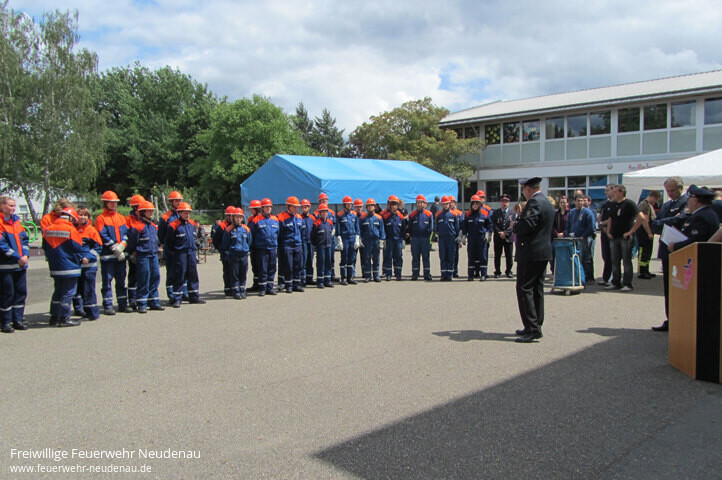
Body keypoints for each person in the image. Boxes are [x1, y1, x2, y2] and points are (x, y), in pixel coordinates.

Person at [511, 177, 554, 343]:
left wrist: (515, 225)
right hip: (541, 252)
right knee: (536, 289)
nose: (523, 193)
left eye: (523, 189)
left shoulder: (534, 202)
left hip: (531, 252)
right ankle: (535, 323)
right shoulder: (546, 202)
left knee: (525, 289)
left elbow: (528, 226)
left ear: (528, 189)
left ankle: (532, 328)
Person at [649, 177, 688, 332]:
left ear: (680, 188)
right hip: (666, 248)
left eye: (673, 190)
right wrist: (669, 220)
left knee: (681, 286)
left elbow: (681, 221)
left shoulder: (686, 203)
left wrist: (666, 221)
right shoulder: (666, 205)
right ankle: (670, 318)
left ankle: (681, 319)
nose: (670, 193)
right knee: (668, 287)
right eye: (668, 190)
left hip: (680, 249)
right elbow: (655, 225)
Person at [43, 207, 91, 327]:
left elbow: (45, 247)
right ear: (71, 218)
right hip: (69, 266)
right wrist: (86, 256)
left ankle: (54, 317)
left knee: (58, 292)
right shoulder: (71, 229)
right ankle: (64, 318)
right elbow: (78, 247)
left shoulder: (49, 229)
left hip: (55, 266)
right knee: (69, 292)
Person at [95, 190, 130, 315]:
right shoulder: (101, 218)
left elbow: (126, 233)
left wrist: (122, 246)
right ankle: (108, 305)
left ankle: (122, 304)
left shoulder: (121, 217)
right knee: (107, 282)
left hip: (120, 256)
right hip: (108, 256)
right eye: (111, 202)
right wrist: (115, 247)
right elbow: (102, 235)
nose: (113, 204)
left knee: (121, 281)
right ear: (105, 203)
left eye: (115, 202)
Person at [126, 201, 164, 313]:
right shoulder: (137, 227)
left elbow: (156, 240)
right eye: (149, 211)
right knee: (144, 279)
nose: (151, 213)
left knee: (155, 277)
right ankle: (142, 303)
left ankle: (154, 302)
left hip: (153, 255)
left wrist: (158, 248)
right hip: (143, 256)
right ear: (143, 212)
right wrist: (133, 253)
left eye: (152, 211)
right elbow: (132, 243)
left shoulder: (153, 226)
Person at [165, 202, 205, 307]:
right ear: (180, 213)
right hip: (180, 254)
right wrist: (174, 253)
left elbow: (194, 238)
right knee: (179, 275)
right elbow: (169, 242)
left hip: (191, 252)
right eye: (185, 213)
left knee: (193, 275)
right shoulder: (173, 225)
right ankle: (177, 298)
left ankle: (194, 296)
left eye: (188, 213)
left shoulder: (191, 224)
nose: (187, 215)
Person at [0, 196, 30, 332]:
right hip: (5, 266)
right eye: (10, 205)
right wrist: (17, 257)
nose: (13, 208)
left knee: (21, 293)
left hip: (20, 265)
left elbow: (25, 240)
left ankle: (17, 319)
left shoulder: (17, 223)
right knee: (7, 294)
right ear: (2, 206)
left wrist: (25, 255)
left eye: (14, 206)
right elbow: (2, 245)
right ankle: (5, 322)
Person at [604, 185, 639, 292]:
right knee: (614, 261)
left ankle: (627, 283)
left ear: (621, 192)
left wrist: (631, 231)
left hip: (625, 237)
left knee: (626, 261)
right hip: (614, 236)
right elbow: (610, 219)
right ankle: (616, 282)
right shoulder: (613, 204)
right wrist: (608, 232)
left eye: (615, 192)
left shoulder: (629, 204)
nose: (613, 193)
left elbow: (641, 218)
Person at [73, 207, 102, 321]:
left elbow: (98, 247)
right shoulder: (72, 229)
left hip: (89, 266)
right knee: (78, 289)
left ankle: (92, 313)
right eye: (80, 214)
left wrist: (88, 257)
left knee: (89, 290)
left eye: (85, 215)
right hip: (76, 265)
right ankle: (80, 310)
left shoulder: (91, 230)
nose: (82, 217)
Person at [248, 198, 279, 296]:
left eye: (269, 207)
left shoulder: (275, 219)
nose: (268, 208)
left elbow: (278, 233)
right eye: (266, 207)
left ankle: (270, 288)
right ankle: (262, 288)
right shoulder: (256, 220)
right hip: (261, 249)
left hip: (272, 248)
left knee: (272, 268)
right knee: (263, 269)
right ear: (262, 208)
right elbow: (251, 235)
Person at [158, 190, 184, 301]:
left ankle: (182, 293)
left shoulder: (183, 214)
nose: (178, 203)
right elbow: (161, 234)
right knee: (171, 273)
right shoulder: (165, 217)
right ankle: (171, 295)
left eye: (180, 200)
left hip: (181, 249)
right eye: (176, 201)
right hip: (170, 250)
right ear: (171, 202)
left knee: (182, 272)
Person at [565, 194, 596, 285]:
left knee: (586, 258)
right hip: (573, 239)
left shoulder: (587, 212)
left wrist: (584, 236)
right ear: (575, 201)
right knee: (576, 258)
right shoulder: (572, 212)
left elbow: (591, 227)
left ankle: (589, 277)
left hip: (584, 239)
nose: (580, 202)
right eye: (578, 201)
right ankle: (577, 277)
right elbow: (568, 225)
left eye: (582, 201)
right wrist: (567, 234)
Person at [222, 207, 252, 299]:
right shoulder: (228, 229)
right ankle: (236, 291)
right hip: (234, 255)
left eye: (240, 217)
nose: (238, 219)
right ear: (233, 218)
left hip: (244, 255)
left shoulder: (246, 229)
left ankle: (242, 290)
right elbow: (225, 243)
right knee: (234, 274)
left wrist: (245, 249)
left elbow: (249, 241)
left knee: (243, 273)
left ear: (242, 218)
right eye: (236, 217)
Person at [277, 196, 305, 293]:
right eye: (294, 206)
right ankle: (288, 285)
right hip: (287, 245)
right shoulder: (281, 217)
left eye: (297, 206)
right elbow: (279, 233)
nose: (296, 208)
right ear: (288, 206)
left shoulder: (299, 217)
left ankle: (296, 284)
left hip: (298, 244)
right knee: (288, 266)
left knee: (298, 265)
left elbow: (302, 231)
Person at [461, 194, 492, 280]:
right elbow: (464, 226)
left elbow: (489, 225)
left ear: (479, 205)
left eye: (476, 204)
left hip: (481, 239)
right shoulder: (468, 215)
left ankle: (483, 274)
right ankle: (471, 275)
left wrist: (488, 234)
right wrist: (463, 235)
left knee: (482, 256)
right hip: (471, 239)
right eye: (473, 204)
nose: (475, 205)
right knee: (471, 256)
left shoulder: (484, 214)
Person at [125, 194, 145, 310]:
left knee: (144, 277)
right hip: (134, 253)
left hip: (144, 252)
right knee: (133, 276)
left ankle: (142, 299)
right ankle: (132, 300)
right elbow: (128, 237)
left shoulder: (144, 219)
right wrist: (132, 251)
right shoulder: (128, 220)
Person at [635, 190, 661, 279]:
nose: (655, 202)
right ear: (653, 197)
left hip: (647, 231)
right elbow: (644, 220)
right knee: (643, 251)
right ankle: (642, 271)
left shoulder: (648, 205)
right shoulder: (645, 205)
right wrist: (649, 233)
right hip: (643, 232)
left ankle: (646, 269)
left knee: (648, 251)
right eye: (656, 200)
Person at [408, 194, 433, 281]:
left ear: (425, 204)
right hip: (415, 239)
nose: (420, 204)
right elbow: (409, 227)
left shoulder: (429, 214)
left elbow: (431, 227)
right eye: (418, 203)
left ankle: (427, 274)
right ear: (416, 204)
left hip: (425, 239)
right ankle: (415, 274)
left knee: (426, 257)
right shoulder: (412, 215)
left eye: (422, 203)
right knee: (415, 257)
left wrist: (428, 236)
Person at [359, 198, 385, 282]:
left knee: (376, 258)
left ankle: (376, 275)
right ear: (366, 207)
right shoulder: (363, 218)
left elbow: (382, 229)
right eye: (369, 206)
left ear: (374, 207)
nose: (370, 207)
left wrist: (382, 240)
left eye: (372, 205)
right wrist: (360, 239)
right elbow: (360, 230)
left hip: (376, 241)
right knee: (367, 259)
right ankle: (367, 276)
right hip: (366, 241)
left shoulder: (379, 218)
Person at [336, 196, 360, 285]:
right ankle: (343, 277)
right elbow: (338, 228)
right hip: (344, 238)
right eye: (348, 204)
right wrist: (339, 239)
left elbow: (357, 227)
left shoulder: (354, 214)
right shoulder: (340, 215)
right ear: (344, 204)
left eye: (350, 204)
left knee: (352, 258)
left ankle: (350, 277)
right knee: (344, 258)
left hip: (352, 238)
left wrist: (357, 238)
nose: (349, 205)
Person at [435, 196, 460, 281]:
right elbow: (436, 226)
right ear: (442, 204)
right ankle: (443, 274)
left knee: (451, 256)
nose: (446, 205)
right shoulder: (438, 215)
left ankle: (450, 274)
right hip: (442, 238)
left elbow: (457, 227)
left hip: (451, 238)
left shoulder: (454, 214)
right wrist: (437, 235)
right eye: (444, 204)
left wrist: (457, 237)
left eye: (447, 204)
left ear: (449, 204)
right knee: (443, 256)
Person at [492, 193, 517, 278]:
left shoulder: (512, 213)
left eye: (506, 201)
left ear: (509, 203)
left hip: (508, 237)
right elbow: (494, 224)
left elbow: (512, 225)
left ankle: (508, 271)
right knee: (497, 255)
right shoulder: (496, 212)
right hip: (498, 237)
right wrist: (500, 232)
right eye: (503, 201)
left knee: (509, 256)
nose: (504, 203)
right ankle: (497, 271)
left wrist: (505, 233)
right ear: (500, 202)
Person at [212, 206, 235, 297]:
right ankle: (228, 289)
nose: (232, 217)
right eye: (230, 216)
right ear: (227, 216)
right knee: (227, 271)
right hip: (226, 252)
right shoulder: (222, 226)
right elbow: (215, 239)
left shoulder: (236, 225)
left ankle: (234, 288)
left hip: (234, 252)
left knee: (234, 271)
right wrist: (221, 249)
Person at [382, 195, 406, 280]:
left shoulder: (401, 217)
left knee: (398, 257)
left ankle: (398, 274)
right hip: (389, 240)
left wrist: (403, 240)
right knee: (388, 257)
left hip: (398, 240)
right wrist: (383, 239)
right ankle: (388, 274)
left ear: (397, 206)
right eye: (392, 205)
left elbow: (403, 229)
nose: (394, 207)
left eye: (395, 205)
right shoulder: (385, 216)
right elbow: (383, 229)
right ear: (389, 205)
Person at [311, 204, 334, 288]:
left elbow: (331, 232)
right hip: (320, 246)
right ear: (320, 213)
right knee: (321, 263)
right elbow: (313, 236)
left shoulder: (330, 222)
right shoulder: (316, 223)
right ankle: (320, 281)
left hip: (328, 245)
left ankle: (327, 280)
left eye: (326, 212)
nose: (325, 213)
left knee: (328, 263)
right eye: (323, 212)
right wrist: (317, 244)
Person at [597, 185, 616, 285]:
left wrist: (603, 224)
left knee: (613, 256)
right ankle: (606, 277)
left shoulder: (616, 204)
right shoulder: (605, 204)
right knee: (606, 256)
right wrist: (601, 225)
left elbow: (611, 219)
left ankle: (612, 278)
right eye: (605, 190)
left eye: (608, 190)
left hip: (612, 234)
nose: (606, 192)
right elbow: (600, 217)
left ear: (613, 191)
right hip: (604, 234)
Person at [247, 199, 262, 291]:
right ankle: (256, 284)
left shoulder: (260, 219)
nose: (251, 211)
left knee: (260, 266)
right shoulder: (250, 219)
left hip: (259, 246)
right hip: (253, 247)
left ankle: (261, 284)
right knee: (255, 266)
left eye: (252, 209)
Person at [300, 199, 315, 286]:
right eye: (303, 207)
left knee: (310, 261)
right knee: (303, 262)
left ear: (309, 207)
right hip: (303, 242)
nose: (304, 208)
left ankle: (309, 278)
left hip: (311, 242)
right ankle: (302, 280)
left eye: (306, 207)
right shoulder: (299, 218)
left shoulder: (313, 218)